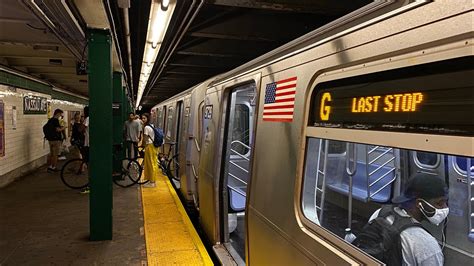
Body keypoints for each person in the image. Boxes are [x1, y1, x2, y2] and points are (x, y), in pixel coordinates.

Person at [365, 173, 448, 265]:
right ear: (419, 203)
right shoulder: (427, 246)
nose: (444, 208)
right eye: (439, 203)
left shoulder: (380, 213)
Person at [141, 113, 158, 188]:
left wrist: (142, 146)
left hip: (149, 146)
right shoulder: (152, 125)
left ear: (147, 119)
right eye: (142, 118)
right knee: (152, 163)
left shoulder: (146, 128)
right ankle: (151, 180)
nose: (143, 119)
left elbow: (144, 139)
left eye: (144, 118)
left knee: (150, 164)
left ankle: (152, 183)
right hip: (153, 146)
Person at [79, 106, 90, 194]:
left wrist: (81, 122)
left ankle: (90, 185)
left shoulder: (88, 119)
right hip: (92, 144)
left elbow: (81, 129)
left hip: (88, 144)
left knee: (89, 165)